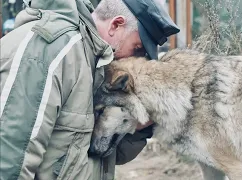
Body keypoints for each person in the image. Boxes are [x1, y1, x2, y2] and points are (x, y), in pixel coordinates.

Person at [0, 0, 180, 179]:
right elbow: (12, 157)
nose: (135, 59)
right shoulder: (51, 50)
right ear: (116, 25)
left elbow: (95, 156)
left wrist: (138, 127)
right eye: (137, 49)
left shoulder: (94, 62)